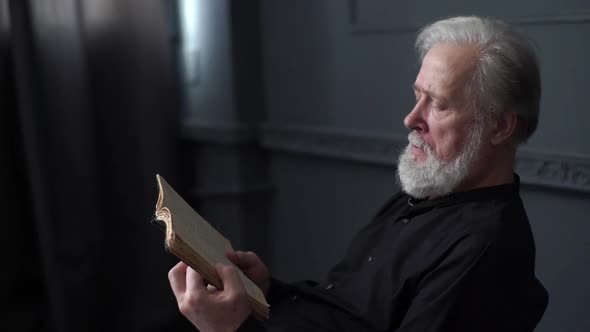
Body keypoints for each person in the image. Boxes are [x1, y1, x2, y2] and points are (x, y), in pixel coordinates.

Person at [168, 16, 549, 331]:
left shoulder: (484, 250)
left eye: (439, 104)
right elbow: (347, 310)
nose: (411, 118)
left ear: (499, 126)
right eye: (418, 95)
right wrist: (266, 291)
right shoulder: (431, 190)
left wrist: (229, 330)